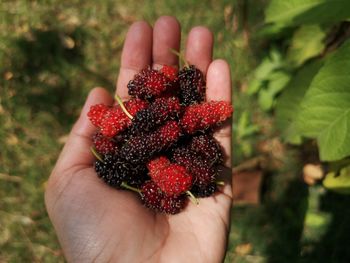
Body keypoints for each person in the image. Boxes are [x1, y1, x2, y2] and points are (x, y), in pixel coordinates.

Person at [45, 16, 233, 263]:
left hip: (168, 132)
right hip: (153, 140)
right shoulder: (138, 147)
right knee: (153, 142)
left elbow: (174, 135)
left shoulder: (172, 129)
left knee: (171, 135)